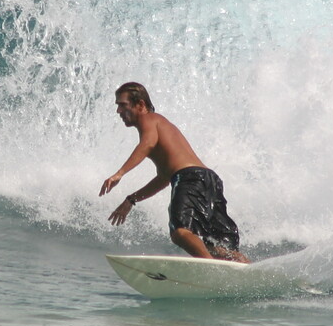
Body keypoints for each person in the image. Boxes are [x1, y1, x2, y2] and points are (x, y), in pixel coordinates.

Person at [99, 82, 249, 262]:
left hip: (190, 178)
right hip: (208, 179)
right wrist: (131, 199)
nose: (118, 112)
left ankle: (211, 271)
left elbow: (147, 145)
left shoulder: (149, 120)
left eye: (122, 105)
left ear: (140, 104)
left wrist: (120, 173)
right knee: (216, 246)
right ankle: (246, 268)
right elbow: (164, 178)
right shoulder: (160, 126)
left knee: (180, 232)